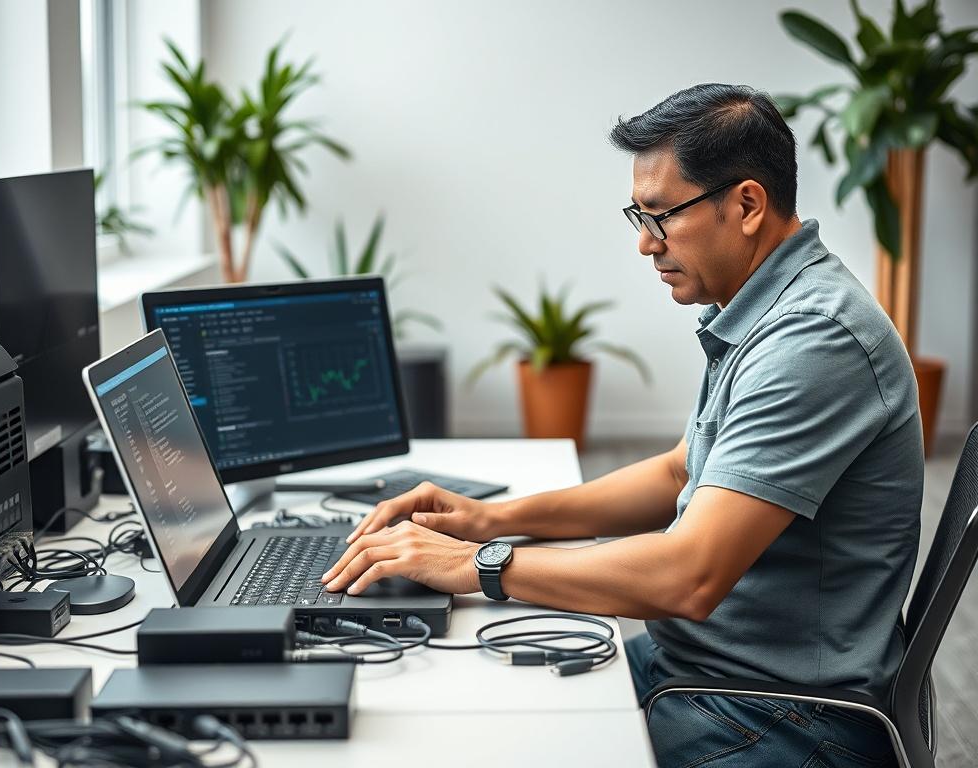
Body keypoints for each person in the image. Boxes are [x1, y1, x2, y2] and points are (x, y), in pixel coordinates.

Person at [321, 83, 922, 767]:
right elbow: (678, 472)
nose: (644, 243)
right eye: (639, 215)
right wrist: (489, 520)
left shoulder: (814, 339)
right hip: (707, 672)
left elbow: (688, 575)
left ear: (747, 205)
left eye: (661, 216)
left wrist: (474, 563)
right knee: (479, 708)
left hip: (781, 716)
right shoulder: (764, 309)